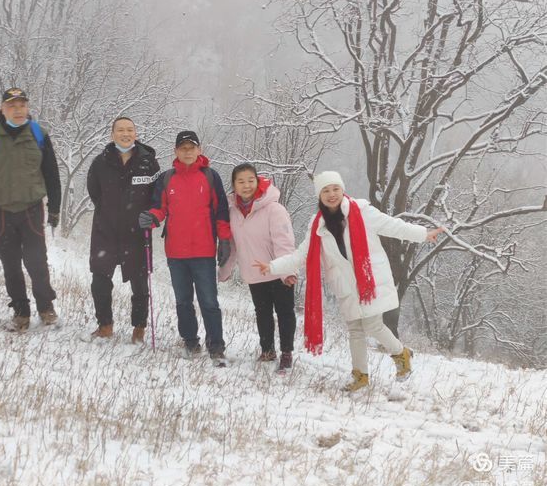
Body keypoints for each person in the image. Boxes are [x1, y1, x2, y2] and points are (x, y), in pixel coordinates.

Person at [255, 171, 444, 391]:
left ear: (342, 189)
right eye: (326, 191)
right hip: (345, 286)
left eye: (335, 189)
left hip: (369, 279)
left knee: (372, 325)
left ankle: (401, 354)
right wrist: (272, 267)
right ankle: (360, 377)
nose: (331, 194)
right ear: (319, 195)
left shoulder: (362, 211)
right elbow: (300, 256)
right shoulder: (317, 225)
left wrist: (423, 234)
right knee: (355, 329)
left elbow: (393, 226)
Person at [0, 87, 62, 331]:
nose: (18, 110)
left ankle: (46, 307)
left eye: (22, 105)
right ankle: (21, 311)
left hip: (31, 209)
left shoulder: (39, 135)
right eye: (12, 106)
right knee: (10, 264)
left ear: (27, 108)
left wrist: (54, 208)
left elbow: (51, 173)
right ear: (2, 109)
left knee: (37, 261)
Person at [138, 130, 232, 366]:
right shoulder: (167, 178)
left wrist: (224, 240)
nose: (188, 152)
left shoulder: (210, 176)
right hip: (176, 252)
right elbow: (160, 207)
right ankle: (190, 342)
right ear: (176, 151)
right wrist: (152, 217)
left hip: (204, 251)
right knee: (183, 301)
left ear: (199, 150)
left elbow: (221, 210)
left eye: (192, 147)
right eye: (183, 148)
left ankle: (216, 346)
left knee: (209, 302)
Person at [86, 117, 160, 343]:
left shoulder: (149, 163)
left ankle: (139, 328)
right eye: (120, 130)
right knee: (100, 279)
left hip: (136, 233)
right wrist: (111, 212)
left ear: (136, 134)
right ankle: (105, 325)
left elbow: (157, 196)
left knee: (140, 284)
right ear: (112, 135)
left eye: (129, 130)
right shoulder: (100, 163)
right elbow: (94, 192)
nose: (125, 134)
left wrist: (150, 216)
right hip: (105, 230)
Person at [218, 163, 297, 373]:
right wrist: (224, 271)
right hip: (254, 272)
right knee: (262, 313)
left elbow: (284, 242)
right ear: (234, 185)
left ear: (258, 181)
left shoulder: (274, 209)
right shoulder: (233, 212)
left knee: (285, 313)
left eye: (250, 180)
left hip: (277, 271)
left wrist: (287, 271)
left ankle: (286, 353)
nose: (246, 186)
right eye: (241, 182)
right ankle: (267, 350)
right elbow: (232, 246)